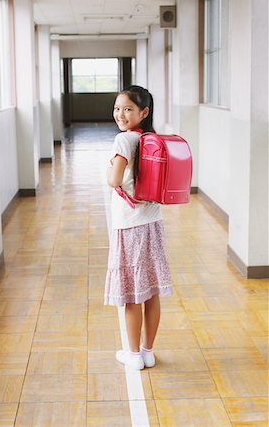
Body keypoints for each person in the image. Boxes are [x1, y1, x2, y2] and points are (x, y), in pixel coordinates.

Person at [104, 85, 172, 370]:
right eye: (118, 108)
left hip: (129, 225)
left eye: (128, 109)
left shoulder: (124, 141)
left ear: (143, 112)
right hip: (153, 223)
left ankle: (132, 355)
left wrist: (110, 169)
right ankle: (148, 351)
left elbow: (114, 180)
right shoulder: (151, 138)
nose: (121, 114)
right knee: (152, 290)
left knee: (132, 292)